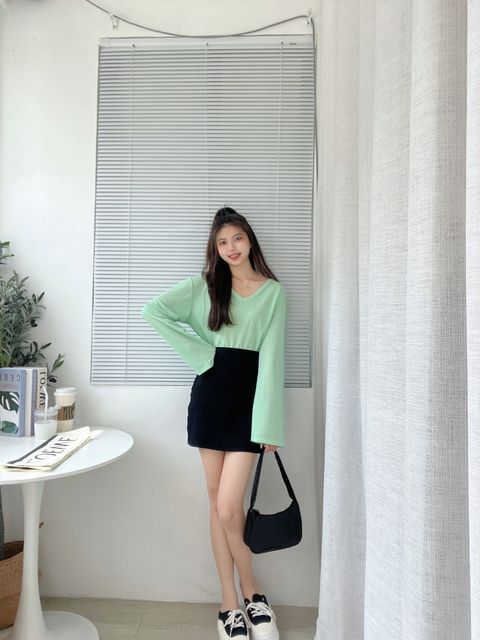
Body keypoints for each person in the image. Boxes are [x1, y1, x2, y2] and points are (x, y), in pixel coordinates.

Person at [142, 206, 287, 640]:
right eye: (222, 242)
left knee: (228, 505)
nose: (231, 248)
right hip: (210, 399)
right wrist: (203, 355)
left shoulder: (273, 293)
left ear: (249, 239)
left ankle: (253, 590)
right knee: (216, 503)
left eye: (236, 238)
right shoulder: (204, 286)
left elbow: (273, 361)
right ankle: (229, 604)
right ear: (216, 248)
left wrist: (269, 425)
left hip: (248, 404)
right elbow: (154, 311)